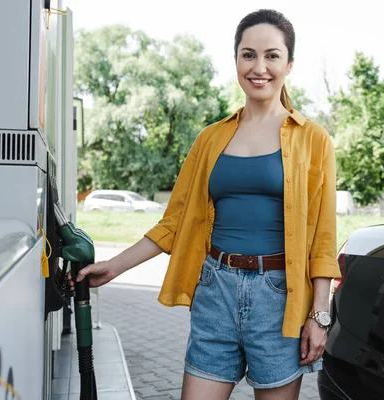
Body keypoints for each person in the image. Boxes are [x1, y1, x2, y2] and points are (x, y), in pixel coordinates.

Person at [70, 9, 341, 400]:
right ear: (236, 61)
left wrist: (319, 315)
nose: (259, 67)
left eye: (272, 56)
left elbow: (323, 239)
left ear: (289, 64)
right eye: (248, 55)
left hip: (280, 299)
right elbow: (175, 221)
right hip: (216, 288)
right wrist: (115, 266)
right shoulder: (211, 139)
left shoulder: (313, 140)